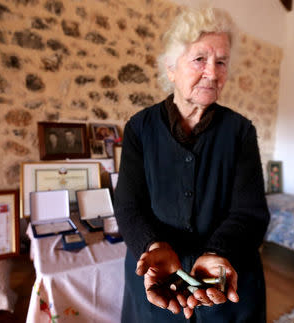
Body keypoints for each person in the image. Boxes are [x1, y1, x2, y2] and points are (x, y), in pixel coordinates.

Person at [114, 6, 270, 323]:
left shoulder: (240, 132)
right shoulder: (140, 129)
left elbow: (250, 212)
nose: (212, 73)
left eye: (221, 62)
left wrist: (219, 252)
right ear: (171, 68)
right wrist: (152, 245)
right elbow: (129, 205)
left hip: (223, 285)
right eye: (200, 59)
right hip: (159, 283)